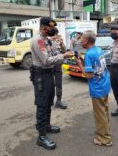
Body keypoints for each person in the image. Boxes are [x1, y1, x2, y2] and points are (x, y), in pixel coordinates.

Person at [30, 17, 74, 150]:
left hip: (48, 75)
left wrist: (62, 52)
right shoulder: (38, 40)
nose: (52, 30)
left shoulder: (46, 40)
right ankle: (41, 137)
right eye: (50, 28)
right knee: (42, 104)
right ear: (44, 27)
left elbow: (53, 55)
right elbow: (46, 60)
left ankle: (47, 126)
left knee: (49, 101)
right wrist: (63, 56)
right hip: (41, 75)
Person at [75, 30, 112, 146]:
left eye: (82, 39)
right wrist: (83, 61)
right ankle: (105, 132)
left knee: (100, 114)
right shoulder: (98, 49)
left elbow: (89, 75)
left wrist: (80, 64)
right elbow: (96, 67)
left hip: (97, 88)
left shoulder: (89, 54)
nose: (81, 41)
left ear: (87, 41)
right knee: (104, 111)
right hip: (105, 84)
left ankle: (105, 139)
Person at [49, 28, 67, 109]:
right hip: (49, 65)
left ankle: (58, 101)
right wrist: (50, 40)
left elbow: (65, 51)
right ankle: (49, 101)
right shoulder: (47, 41)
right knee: (49, 84)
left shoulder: (58, 42)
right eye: (54, 34)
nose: (56, 36)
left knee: (58, 84)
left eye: (56, 34)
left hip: (58, 65)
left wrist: (62, 43)